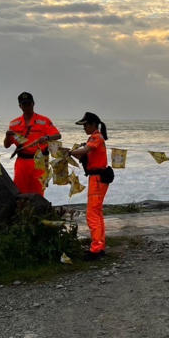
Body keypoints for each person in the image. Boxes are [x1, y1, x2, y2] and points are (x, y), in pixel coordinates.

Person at [68, 111, 110, 261]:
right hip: (97, 178)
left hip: (97, 178)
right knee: (97, 213)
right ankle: (99, 245)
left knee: (92, 213)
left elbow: (85, 150)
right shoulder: (93, 138)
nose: (84, 128)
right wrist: (71, 152)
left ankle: (96, 249)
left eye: (85, 125)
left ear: (92, 125)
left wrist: (72, 152)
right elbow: (82, 154)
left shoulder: (96, 137)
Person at [3, 91, 61, 196]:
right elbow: (6, 145)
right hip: (22, 162)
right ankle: (22, 212)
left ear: (33, 103)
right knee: (20, 192)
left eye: (29, 103)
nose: (27, 106)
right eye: (24, 104)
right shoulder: (14, 123)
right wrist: (7, 136)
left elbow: (58, 135)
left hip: (39, 161)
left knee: (38, 192)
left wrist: (47, 137)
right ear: (20, 106)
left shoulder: (44, 121)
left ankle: (38, 212)